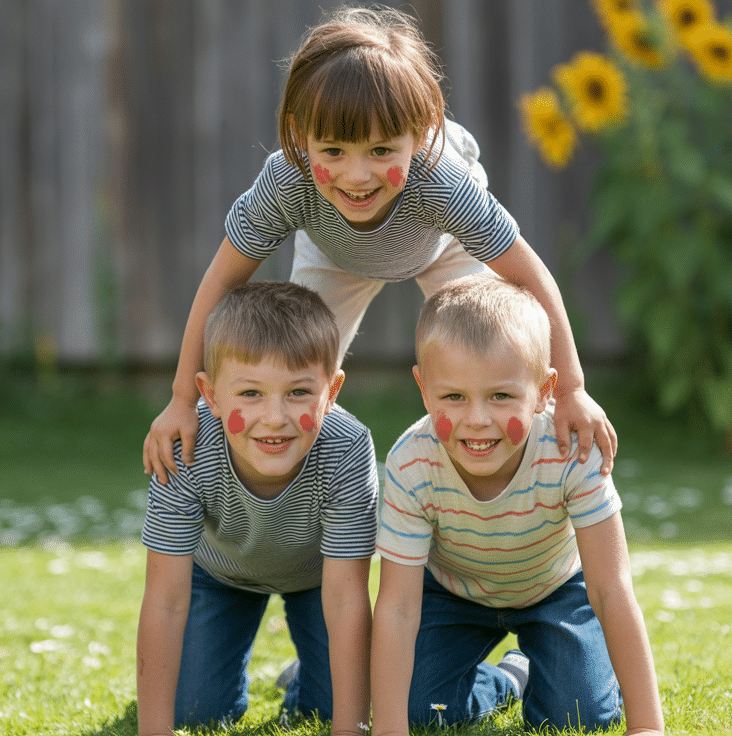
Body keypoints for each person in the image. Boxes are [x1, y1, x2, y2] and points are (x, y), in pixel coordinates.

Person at [142, 4, 617, 488]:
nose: (357, 175)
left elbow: (530, 275)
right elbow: (221, 280)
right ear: (301, 138)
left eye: (381, 151)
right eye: (333, 152)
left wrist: (574, 388)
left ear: (418, 137)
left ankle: (521, 502)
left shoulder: (440, 183)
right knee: (289, 372)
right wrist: (182, 399)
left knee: (495, 358)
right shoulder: (287, 182)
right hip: (331, 253)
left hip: (444, 246)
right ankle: (287, 508)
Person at [370, 276, 663, 736]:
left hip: (553, 591)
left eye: (501, 396)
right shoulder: (412, 462)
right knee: (420, 711)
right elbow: (399, 608)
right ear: (423, 388)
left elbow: (611, 588)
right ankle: (508, 677)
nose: (477, 420)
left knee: (580, 718)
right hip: (452, 595)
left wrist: (647, 726)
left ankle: (587, 670)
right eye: (453, 397)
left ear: (546, 390)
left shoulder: (571, 452)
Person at [135, 281, 378, 736]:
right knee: (193, 713)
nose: (274, 417)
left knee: (335, 708)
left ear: (333, 390)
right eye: (250, 394)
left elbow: (347, 597)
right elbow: (165, 599)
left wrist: (351, 728)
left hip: (318, 579)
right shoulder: (185, 448)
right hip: (221, 575)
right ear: (208, 394)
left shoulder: (347, 448)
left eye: (298, 392)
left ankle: (309, 677)